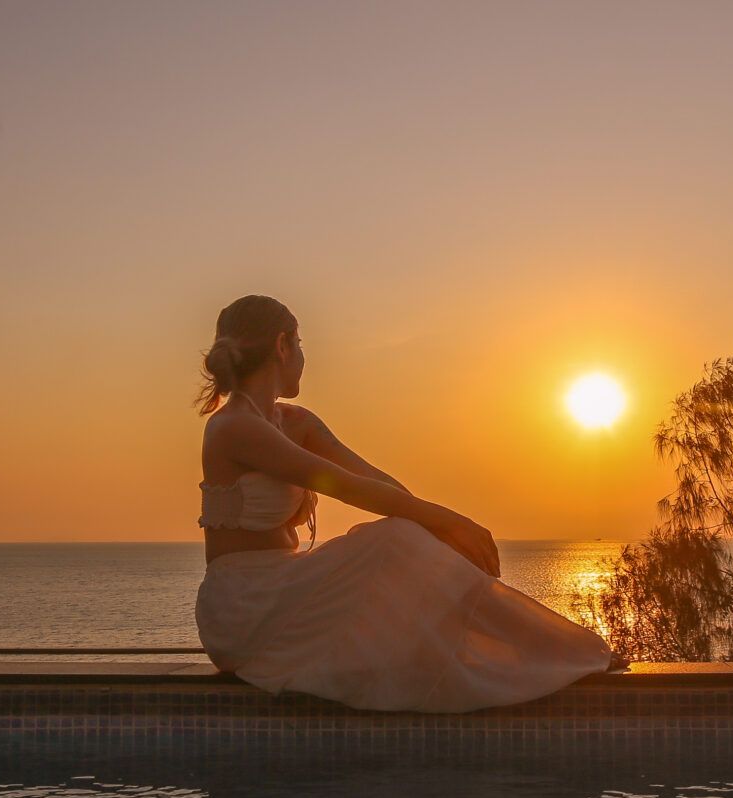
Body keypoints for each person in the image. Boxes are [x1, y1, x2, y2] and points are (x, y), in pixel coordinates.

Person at [192, 294, 625, 712]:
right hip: (242, 608)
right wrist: (453, 524)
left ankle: (546, 652)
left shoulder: (297, 422)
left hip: (284, 590)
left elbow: (376, 481)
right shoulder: (233, 428)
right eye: (300, 344)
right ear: (283, 346)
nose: (305, 356)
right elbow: (349, 488)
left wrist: (433, 536)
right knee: (394, 537)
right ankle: (560, 651)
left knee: (404, 535)